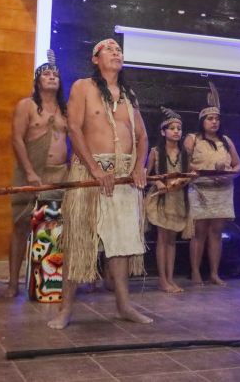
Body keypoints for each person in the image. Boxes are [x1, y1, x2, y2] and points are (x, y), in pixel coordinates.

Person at [48, 38, 150, 329]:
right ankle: (65, 309)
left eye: (119, 50)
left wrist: (139, 168)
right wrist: (94, 169)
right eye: (110, 49)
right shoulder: (83, 87)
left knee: (120, 243)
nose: (117, 53)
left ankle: (123, 305)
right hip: (89, 174)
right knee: (79, 240)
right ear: (95, 59)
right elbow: (73, 128)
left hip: (123, 176)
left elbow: (142, 136)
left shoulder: (129, 94)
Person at [3, 50, 69, 298]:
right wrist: (30, 172)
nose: (52, 77)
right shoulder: (26, 105)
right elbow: (17, 139)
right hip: (31, 173)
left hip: (60, 174)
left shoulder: (66, 109)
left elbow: (76, 141)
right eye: (47, 74)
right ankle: (12, 283)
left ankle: (49, 283)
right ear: (37, 80)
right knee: (21, 227)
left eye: (56, 75)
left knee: (54, 229)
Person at [185, 82, 240, 287]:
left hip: (222, 190)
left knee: (216, 232)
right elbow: (183, 161)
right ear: (202, 121)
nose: (214, 122)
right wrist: (203, 172)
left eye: (217, 118)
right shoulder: (193, 139)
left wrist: (228, 175)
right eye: (210, 118)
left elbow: (238, 165)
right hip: (201, 189)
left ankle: (215, 273)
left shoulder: (226, 140)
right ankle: (195, 273)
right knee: (199, 232)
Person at [145, 106, 191, 293]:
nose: (176, 132)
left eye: (179, 129)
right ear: (163, 132)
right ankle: (162, 279)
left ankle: (170, 278)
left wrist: (191, 176)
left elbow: (189, 172)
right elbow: (146, 176)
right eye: (172, 128)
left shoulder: (185, 152)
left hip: (178, 199)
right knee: (162, 239)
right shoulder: (156, 152)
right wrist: (157, 183)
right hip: (161, 200)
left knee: (172, 239)